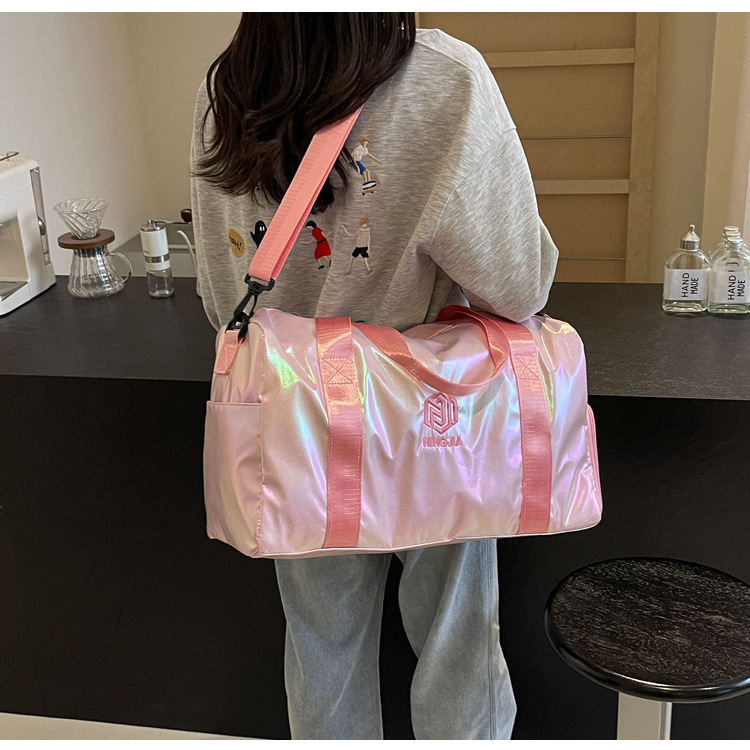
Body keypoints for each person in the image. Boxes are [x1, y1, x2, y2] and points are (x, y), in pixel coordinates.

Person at [191, 12, 558, 740]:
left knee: (321, 652)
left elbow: (218, 296)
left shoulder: (226, 90)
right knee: (458, 647)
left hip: (294, 421)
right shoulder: (443, 77)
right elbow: (519, 284)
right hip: (432, 416)